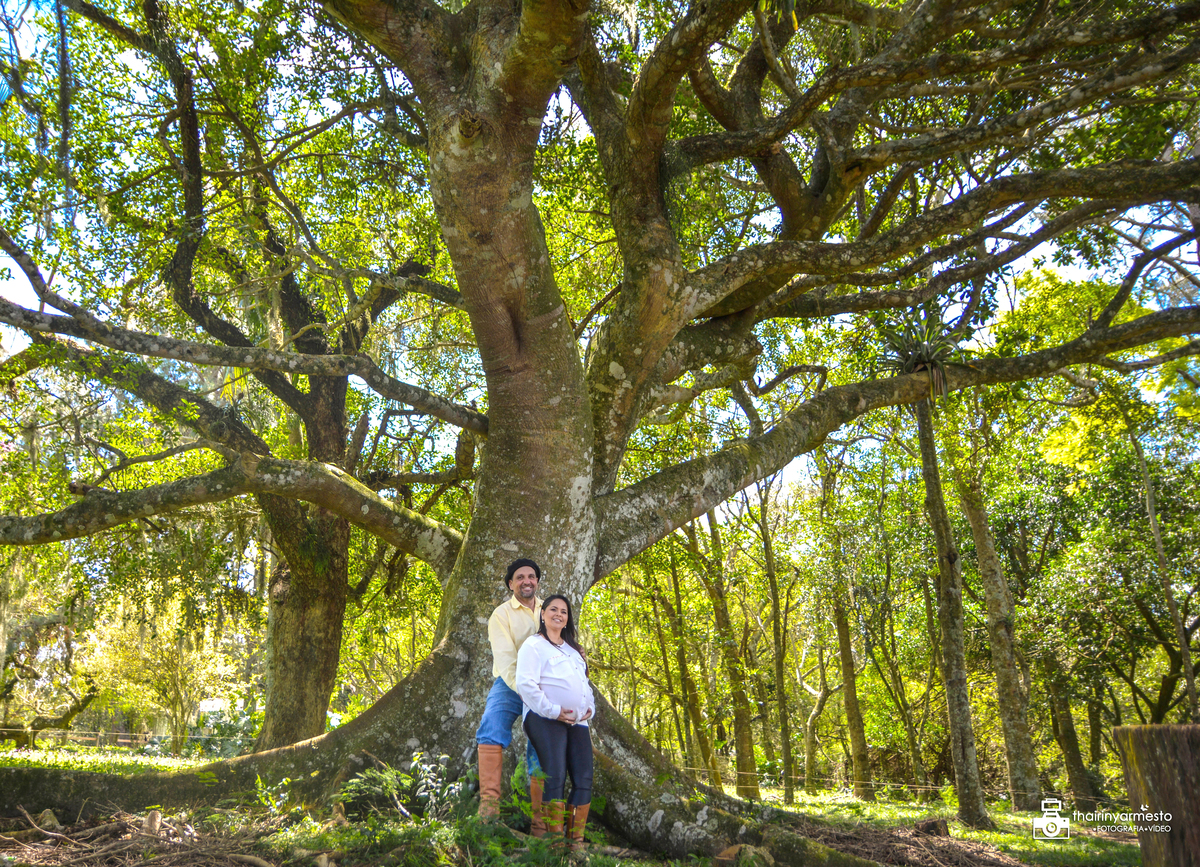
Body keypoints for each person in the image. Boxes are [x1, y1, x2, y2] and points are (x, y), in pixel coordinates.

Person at [516, 594, 595, 850]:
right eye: (553, 609)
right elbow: (525, 685)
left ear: (568, 619)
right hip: (544, 718)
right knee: (556, 775)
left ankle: (575, 846)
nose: (558, 614)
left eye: (564, 611)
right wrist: (552, 710)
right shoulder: (533, 645)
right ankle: (556, 846)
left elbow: (585, 685)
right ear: (543, 614)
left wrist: (590, 708)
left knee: (584, 778)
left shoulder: (573, 651)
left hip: (577, 722)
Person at [475, 558, 546, 828]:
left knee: (542, 742)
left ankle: (540, 824)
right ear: (510, 584)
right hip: (510, 683)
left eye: (531, 576)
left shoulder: (549, 609)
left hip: (545, 685)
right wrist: (526, 690)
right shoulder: (501, 615)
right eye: (520, 577)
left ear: (537, 581)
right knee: (491, 726)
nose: (526, 581)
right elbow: (505, 660)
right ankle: (489, 808)